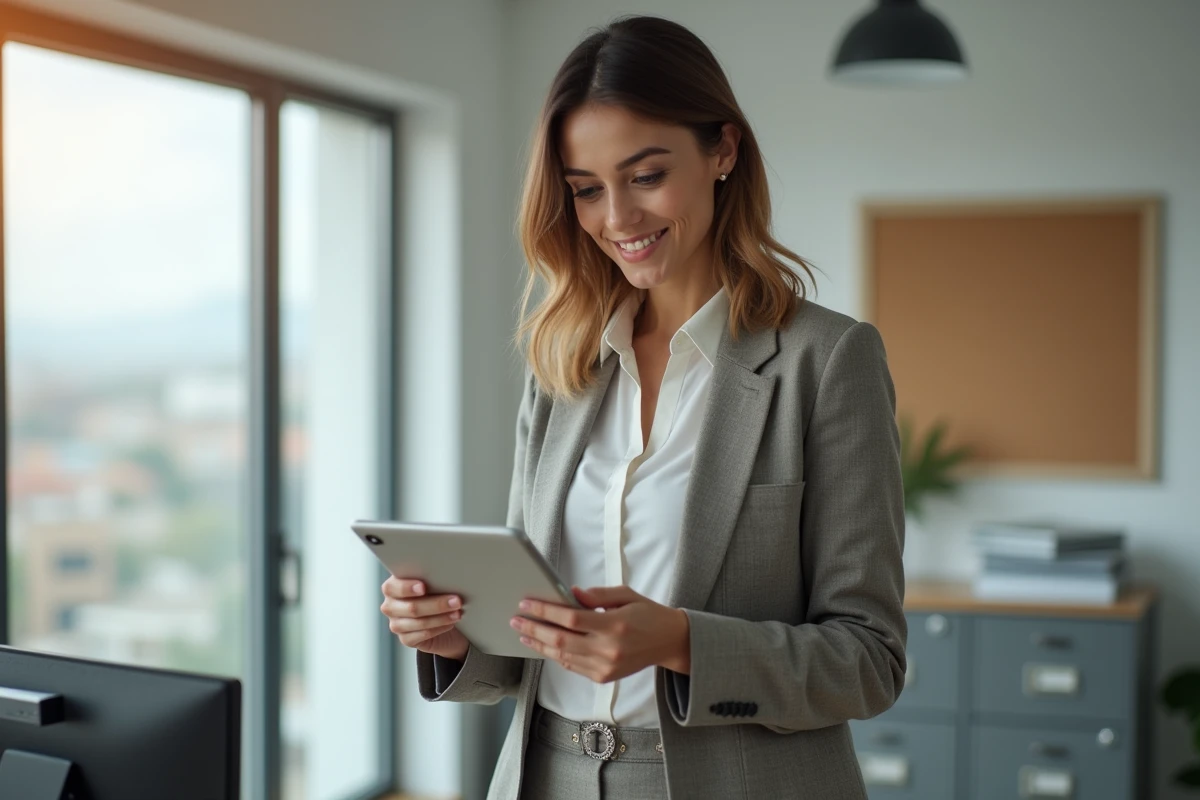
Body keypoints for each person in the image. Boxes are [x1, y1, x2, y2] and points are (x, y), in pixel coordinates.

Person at [380, 14, 906, 800]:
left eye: (647, 175)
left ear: (723, 150)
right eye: (586, 190)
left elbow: (869, 662)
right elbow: (528, 638)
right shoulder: (563, 366)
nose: (618, 219)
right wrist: (454, 635)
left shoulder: (826, 360)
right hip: (547, 776)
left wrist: (682, 642)